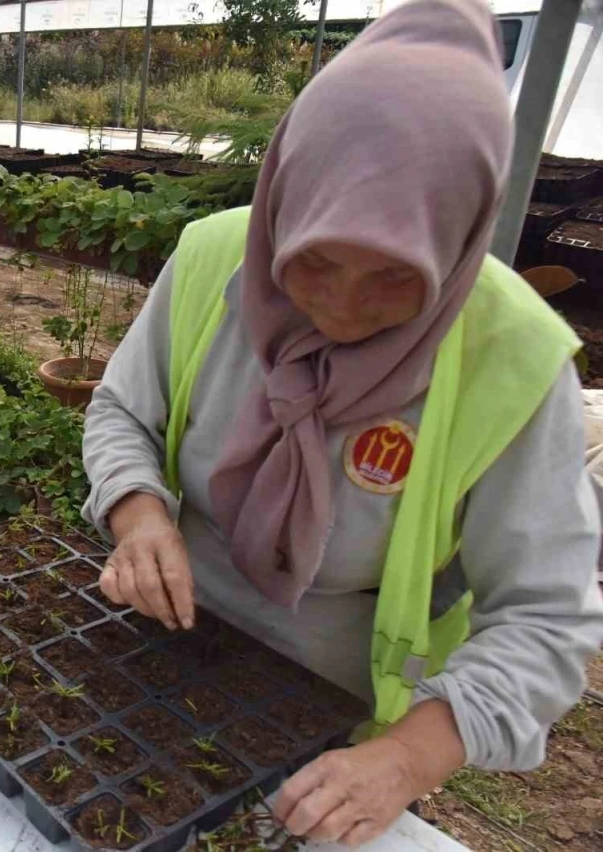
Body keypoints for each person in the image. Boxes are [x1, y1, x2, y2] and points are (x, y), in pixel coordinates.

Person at [81, 0, 603, 844]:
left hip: (338, 711)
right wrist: (138, 512)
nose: (341, 309)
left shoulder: (515, 362)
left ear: (461, 238)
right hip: (159, 647)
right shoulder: (216, 256)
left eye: (397, 277)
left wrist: (406, 758)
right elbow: (121, 413)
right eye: (312, 259)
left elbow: (546, 620)